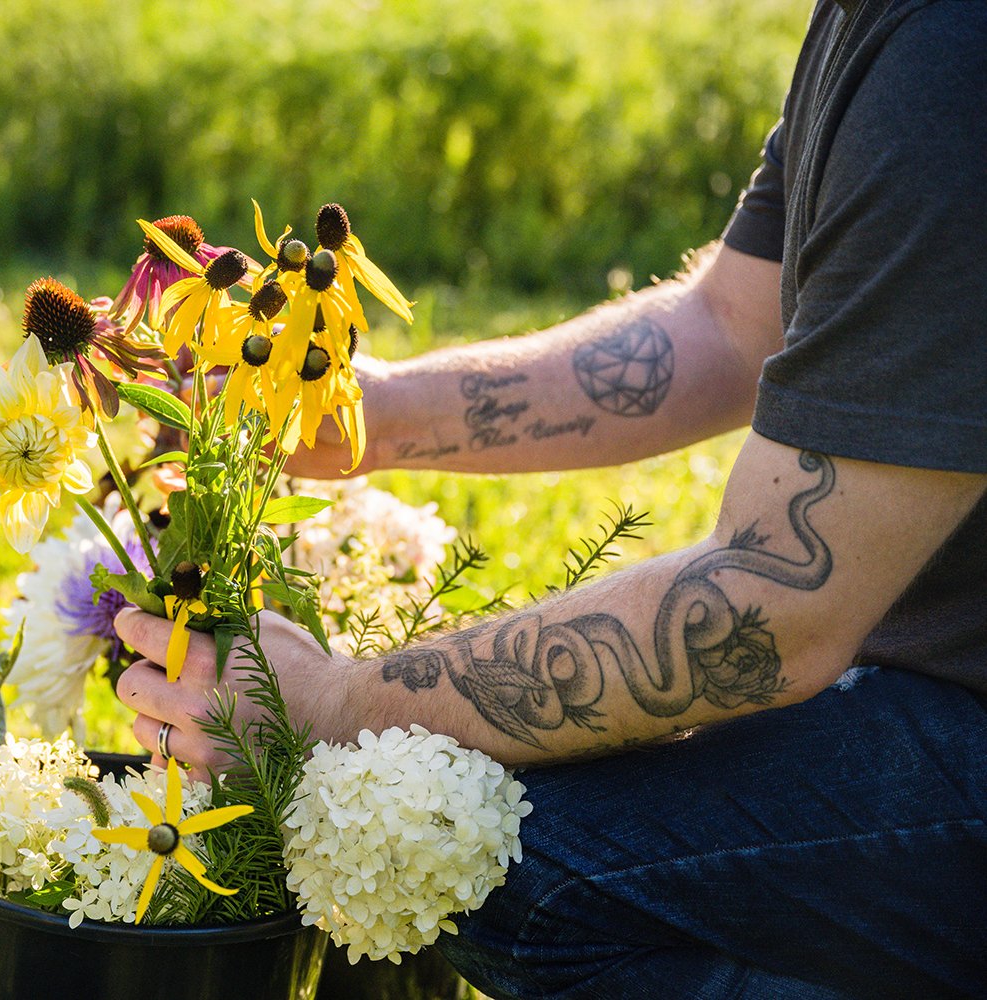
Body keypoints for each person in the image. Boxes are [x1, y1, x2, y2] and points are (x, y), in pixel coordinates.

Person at [111, 1, 987, 995]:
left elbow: (771, 608)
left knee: (479, 851)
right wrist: (371, 416)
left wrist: (329, 704)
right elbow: (728, 327)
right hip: (928, 679)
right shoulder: (876, 25)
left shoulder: (951, 54)